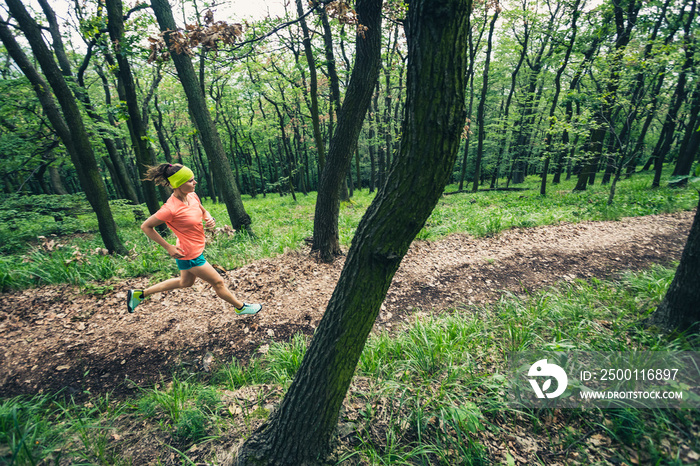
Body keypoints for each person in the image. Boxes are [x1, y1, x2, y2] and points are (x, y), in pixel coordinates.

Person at [126, 163, 262, 316]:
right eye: (190, 181)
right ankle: (241, 307)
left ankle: (140, 294)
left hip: (191, 249)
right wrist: (167, 246)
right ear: (178, 184)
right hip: (189, 254)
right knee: (218, 282)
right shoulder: (170, 209)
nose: (195, 182)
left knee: (185, 282)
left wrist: (208, 218)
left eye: (193, 179)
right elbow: (146, 226)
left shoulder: (192, 196)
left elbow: (203, 211)